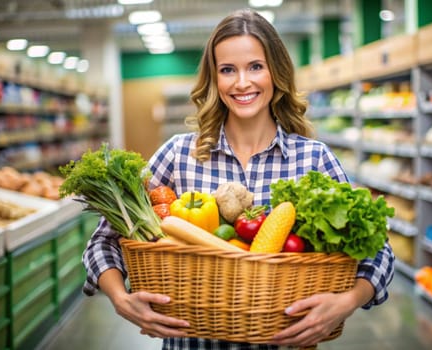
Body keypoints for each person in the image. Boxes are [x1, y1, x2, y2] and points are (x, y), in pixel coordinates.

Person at [82, 8, 395, 350]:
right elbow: (104, 240)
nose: (242, 82)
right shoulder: (178, 155)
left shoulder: (314, 158)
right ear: (214, 79)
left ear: (276, 73)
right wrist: (120, 298)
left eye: (255, 67)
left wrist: (348, 301)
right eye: (228, 70)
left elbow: (378, 250)